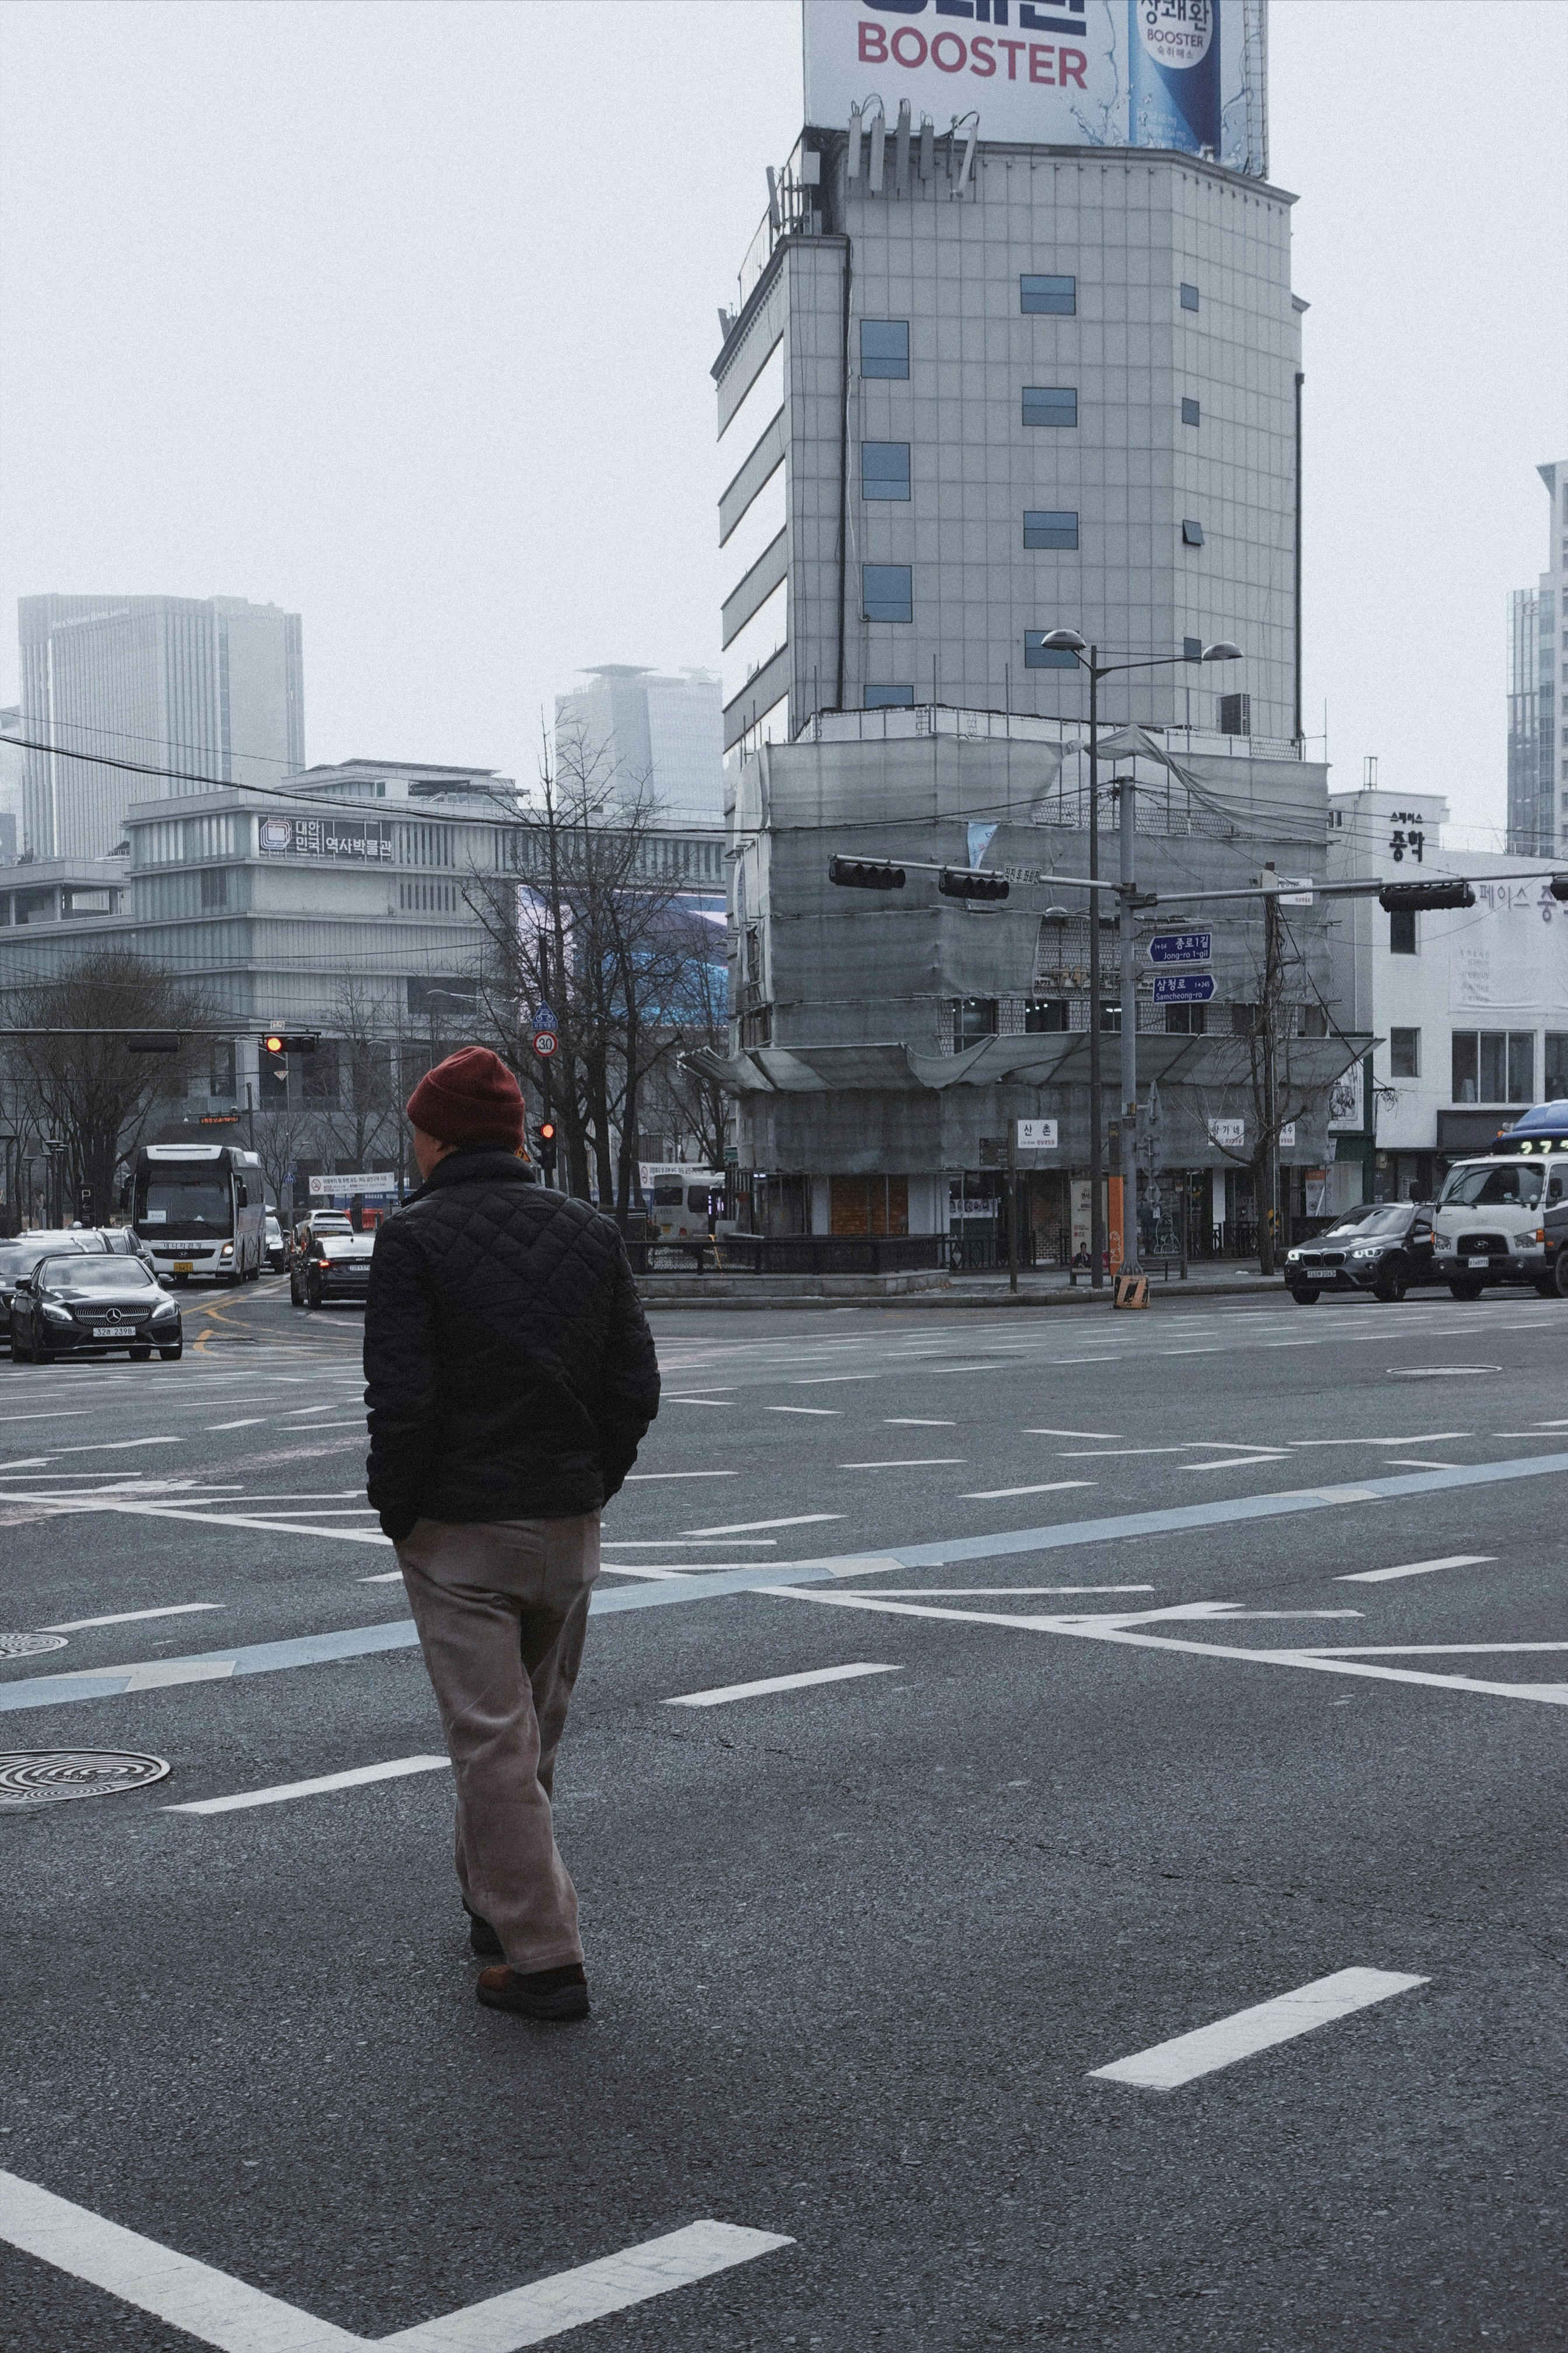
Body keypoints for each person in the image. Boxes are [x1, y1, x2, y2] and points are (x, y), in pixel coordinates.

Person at [364, 1045, 659, 2022]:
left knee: (490, 1738)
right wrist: (590, 1484)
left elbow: (403, 1404)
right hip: (568, 1524)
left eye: (415, 1130)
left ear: (438, 1135)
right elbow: (635, 1388)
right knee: (529, 1730)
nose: (411, 1146)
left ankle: (543, 1954)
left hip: (461, 1528)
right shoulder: (588, 1230)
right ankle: (493, 1901)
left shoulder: (414, 1240)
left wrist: (397, 1513)